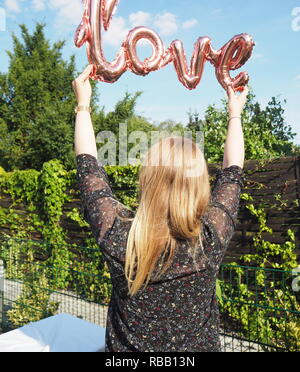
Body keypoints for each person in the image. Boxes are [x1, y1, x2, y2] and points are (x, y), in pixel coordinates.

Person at [73, 65, 248, 352]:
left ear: (147, 181)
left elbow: (88, 170)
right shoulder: (210, 239)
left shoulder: (119, 236)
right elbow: (232, 172)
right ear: (199, 185)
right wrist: (234, 113)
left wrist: (83, 105)